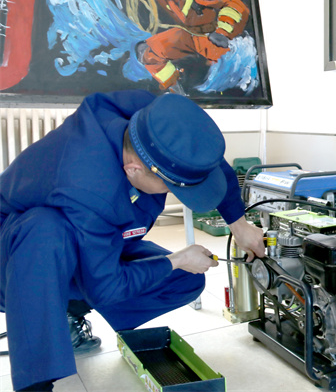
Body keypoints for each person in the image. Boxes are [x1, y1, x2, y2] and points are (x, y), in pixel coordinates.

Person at [0, 90, 265, 391]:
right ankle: (37, 368)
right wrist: (177, 259)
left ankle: (69, 308)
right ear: (134, 169)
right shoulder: (88, 187)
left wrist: (239, 225)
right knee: (46, 231)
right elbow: (107, 287)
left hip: (94, 237)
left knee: (185, 279)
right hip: (17, 257)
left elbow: (200, 160)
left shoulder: (151, 119)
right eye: (173, 188)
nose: (176, 195)